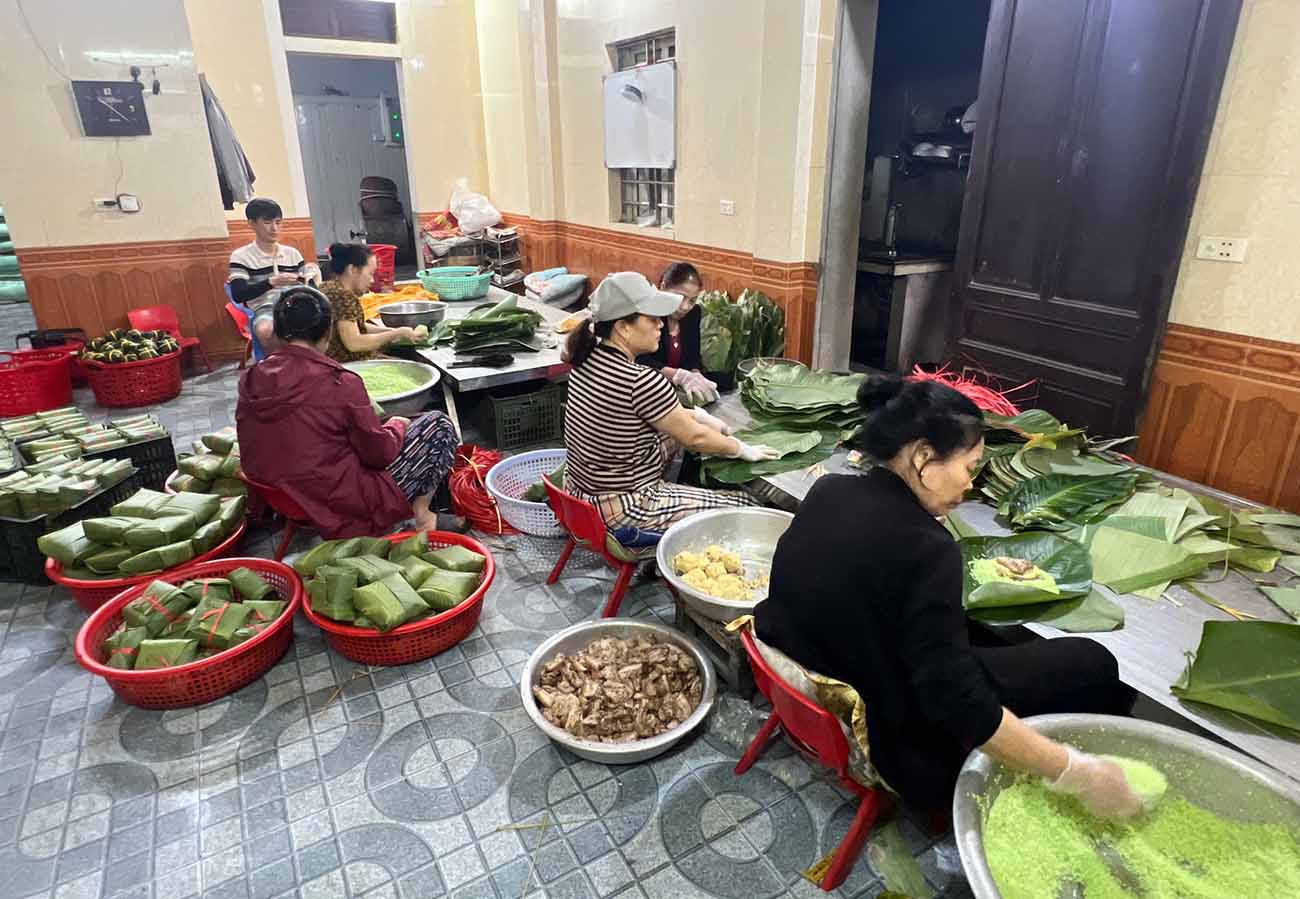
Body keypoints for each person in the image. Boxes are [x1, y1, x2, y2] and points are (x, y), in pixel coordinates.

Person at [755, 374, 1141, 819]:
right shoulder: (928, 549)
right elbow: (959, 704)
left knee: (996, 643)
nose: (971, 485)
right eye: (969, 467)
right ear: (923, 457)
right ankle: (1098, 778)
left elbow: (888, 582)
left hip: (835, 667)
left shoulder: (829, 491)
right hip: (897, 740)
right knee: (1094, 664)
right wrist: (1075, 771)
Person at [236, 286, 465, 538]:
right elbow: (379, 455)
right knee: (437, 424)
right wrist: (396, 426)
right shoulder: (338, 381)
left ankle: (419, 513)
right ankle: (421, 516)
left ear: (278, 333)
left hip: (281, 496)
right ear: (327, 333)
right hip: (338, 499)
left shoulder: (252, 377)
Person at [563, 271, 779, 531]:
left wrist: (698, 417)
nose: (661, 325)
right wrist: (740, 448)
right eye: (652, 319)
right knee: (748, 505)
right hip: (623, 506)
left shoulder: (584, 359)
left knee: (680, 431)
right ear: (622, 327)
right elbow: (695, 438)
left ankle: (681, 497)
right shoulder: (641, 380)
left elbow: (672, 422)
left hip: (579, 493)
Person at [228, 197, 321, 355]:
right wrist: (271, 282)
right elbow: (238, 294)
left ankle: (314, 368)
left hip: (297, 304)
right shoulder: (241, 256)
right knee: (266, 330)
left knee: (325, 323)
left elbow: (310, 287)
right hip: (266, 308)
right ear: (251, 223)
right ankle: (279, 368)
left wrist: (309, 278)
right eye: (267, 222)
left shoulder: (292, 253)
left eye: (278, 222)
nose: (274, 228)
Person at [319, 242, 421, 363]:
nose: (372, 280)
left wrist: (395, 331)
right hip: (348, 365)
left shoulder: (328, 287)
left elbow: (356, 326)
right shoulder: (342, 296)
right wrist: (394, 334)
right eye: (370, 274)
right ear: (353, 270)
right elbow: (354, 343)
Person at [637, 262, 717, 405]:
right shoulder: (647, 313)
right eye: (680, 297)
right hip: (648, 389)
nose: (685, 307)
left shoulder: (693, 313)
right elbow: (638, 360)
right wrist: (677, 375)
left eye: (692, 300)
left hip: (678, 392)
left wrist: (695, 374)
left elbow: (693, 355)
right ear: (663, 286)